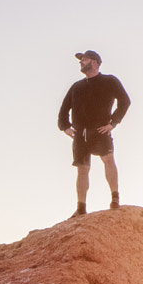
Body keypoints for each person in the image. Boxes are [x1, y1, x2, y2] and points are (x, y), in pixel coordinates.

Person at [57, 50, 130, 217]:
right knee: (82, 169)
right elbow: (63, 110)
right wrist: (65, 127)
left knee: (108, 159)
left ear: (95, 62)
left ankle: (115, 199)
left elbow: (125, 101)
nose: (81, 62)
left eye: (85, 59)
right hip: (80, 133)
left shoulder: (109, 81)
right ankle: (81, 208)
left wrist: (113, 123)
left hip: (100, 129)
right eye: (81, 60)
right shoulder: (77, 86)